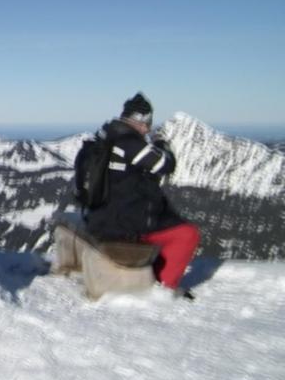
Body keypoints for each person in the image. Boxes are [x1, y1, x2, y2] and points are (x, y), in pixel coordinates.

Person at [84, 92, 201, 296]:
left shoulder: (102, 140)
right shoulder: (128, 142)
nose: (148, 129)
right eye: (147, 123)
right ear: (140, 120)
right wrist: (162, 146)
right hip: (123, 224)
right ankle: (163, 286)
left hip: (99, 218)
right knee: (186, 234)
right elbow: (164, 165)